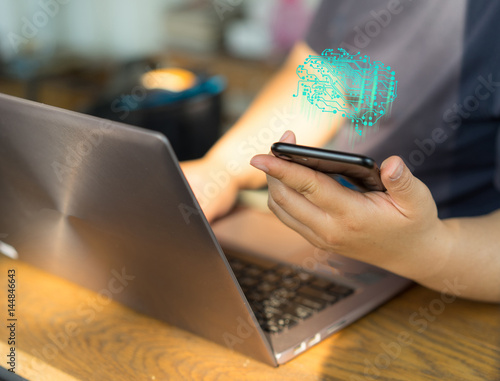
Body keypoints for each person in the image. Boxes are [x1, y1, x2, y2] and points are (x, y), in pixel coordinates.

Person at [182, 0, 500, 303]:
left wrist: (425, 249)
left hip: (454, 275)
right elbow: (320, 78)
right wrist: (221, 170)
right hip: (327, 242)